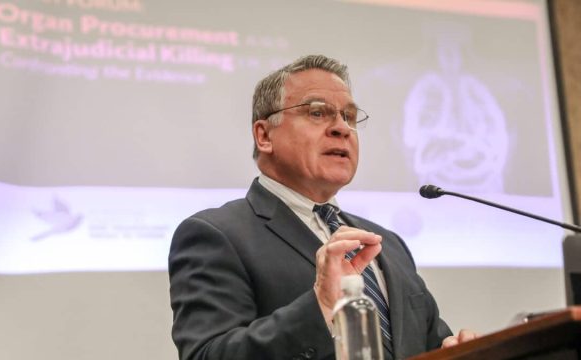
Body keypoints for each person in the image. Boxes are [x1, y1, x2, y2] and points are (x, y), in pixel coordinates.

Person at [168, 55, 476, 360]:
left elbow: (432, 341)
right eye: (317, 113)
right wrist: (321, 305)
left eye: (349, 117)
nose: (341, 128)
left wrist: (458, 350)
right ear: (264, 136)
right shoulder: (217, 235)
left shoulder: (387, 244)